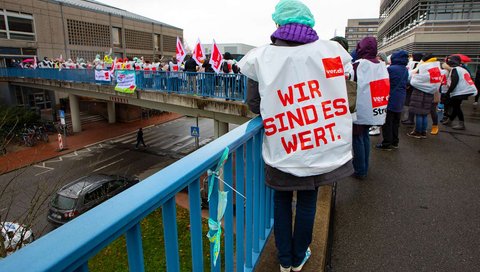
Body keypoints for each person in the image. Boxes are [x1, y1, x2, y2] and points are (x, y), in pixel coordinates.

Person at [238, 1, 354, 271]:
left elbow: (254, 104)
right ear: (309, 23)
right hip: (318, 144)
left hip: (283, 144)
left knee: (281, 200)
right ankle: (300, 256)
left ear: (278, 24)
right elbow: (340, 95)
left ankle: (284, 260)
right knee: (307, 201)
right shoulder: (332, 51)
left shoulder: (259, 57)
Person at [351, 37, 389, 179]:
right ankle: (365, 166)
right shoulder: (381, 65)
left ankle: (360, 170)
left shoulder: (358, 65)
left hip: (359, 108)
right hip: (374, 108)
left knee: (357, 138)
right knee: (365, 137)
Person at [376, 50, 409, 150]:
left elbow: (384, 83)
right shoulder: (405, 69)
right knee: (395, 122)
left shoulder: (391, 69)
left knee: (387, 122)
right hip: (400, 98)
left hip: (390, 98)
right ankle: (395, 142)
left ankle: (387, 143)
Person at [407, 54, 442, 138]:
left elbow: (411, 77)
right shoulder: (436, 68)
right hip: (430, 93)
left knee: (419, 114)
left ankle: (417, 132)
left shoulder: (423, 67)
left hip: (419, 93)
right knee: (424, 114)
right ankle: (423, 132)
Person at [441, 55, 478, 129]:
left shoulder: (455, 69)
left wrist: (448, 93)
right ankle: (450, 120)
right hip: (465, 90)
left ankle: (461, 124)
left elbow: (454, 82)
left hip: (461, 91)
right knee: (456, 106)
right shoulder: (462, 69)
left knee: (456, 107)